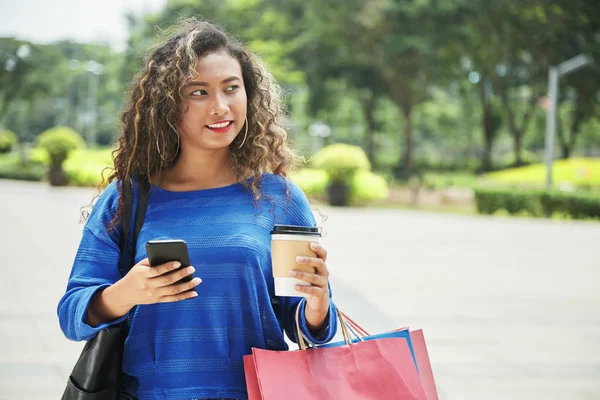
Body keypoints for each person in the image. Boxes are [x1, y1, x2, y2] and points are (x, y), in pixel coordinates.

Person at [57, 19, 338, 400]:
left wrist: (318, 302)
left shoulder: (279, 198)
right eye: (199, 92)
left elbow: (306, 329)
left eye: (231, 88)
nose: (220, 106)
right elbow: (73, 314)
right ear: (167, 104)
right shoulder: (129, 198)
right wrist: (127, 292)